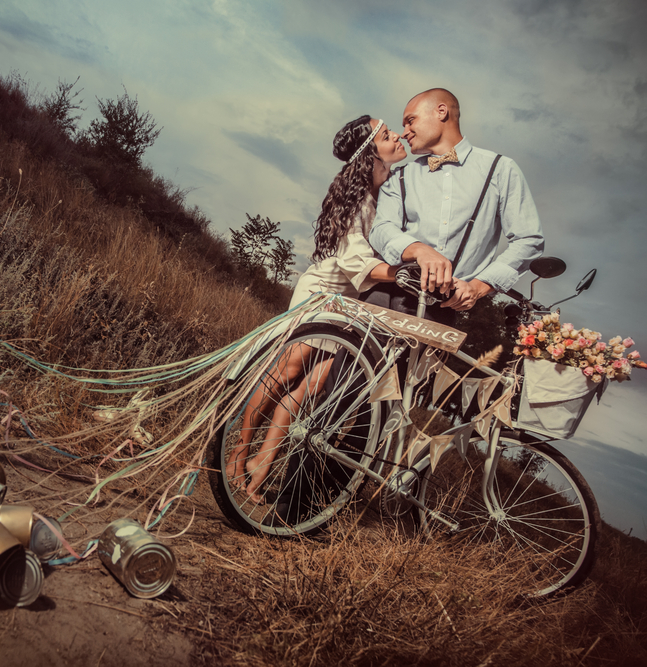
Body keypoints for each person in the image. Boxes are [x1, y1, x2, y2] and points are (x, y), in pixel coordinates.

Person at [227, 115, 405, 504]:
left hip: (351, 307)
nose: (398, 136)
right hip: (324, 295)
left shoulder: (388, 193)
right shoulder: (358, 198)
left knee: (310, 389)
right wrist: (407, 272)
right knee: (286, 372)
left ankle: (262, 463)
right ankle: (237, 454)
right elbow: (357, 262)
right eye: (387, 134)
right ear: (370, 152)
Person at [367, 88, 544, 323]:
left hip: (444, 308)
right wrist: (419, 249)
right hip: (386, 295)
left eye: (411, 121)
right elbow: (380, 229)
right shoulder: (401, 174)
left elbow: (528, 239)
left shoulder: (500, 168)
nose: (404, 132)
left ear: (441, 112)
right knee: (354, 360)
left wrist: (479, 286)